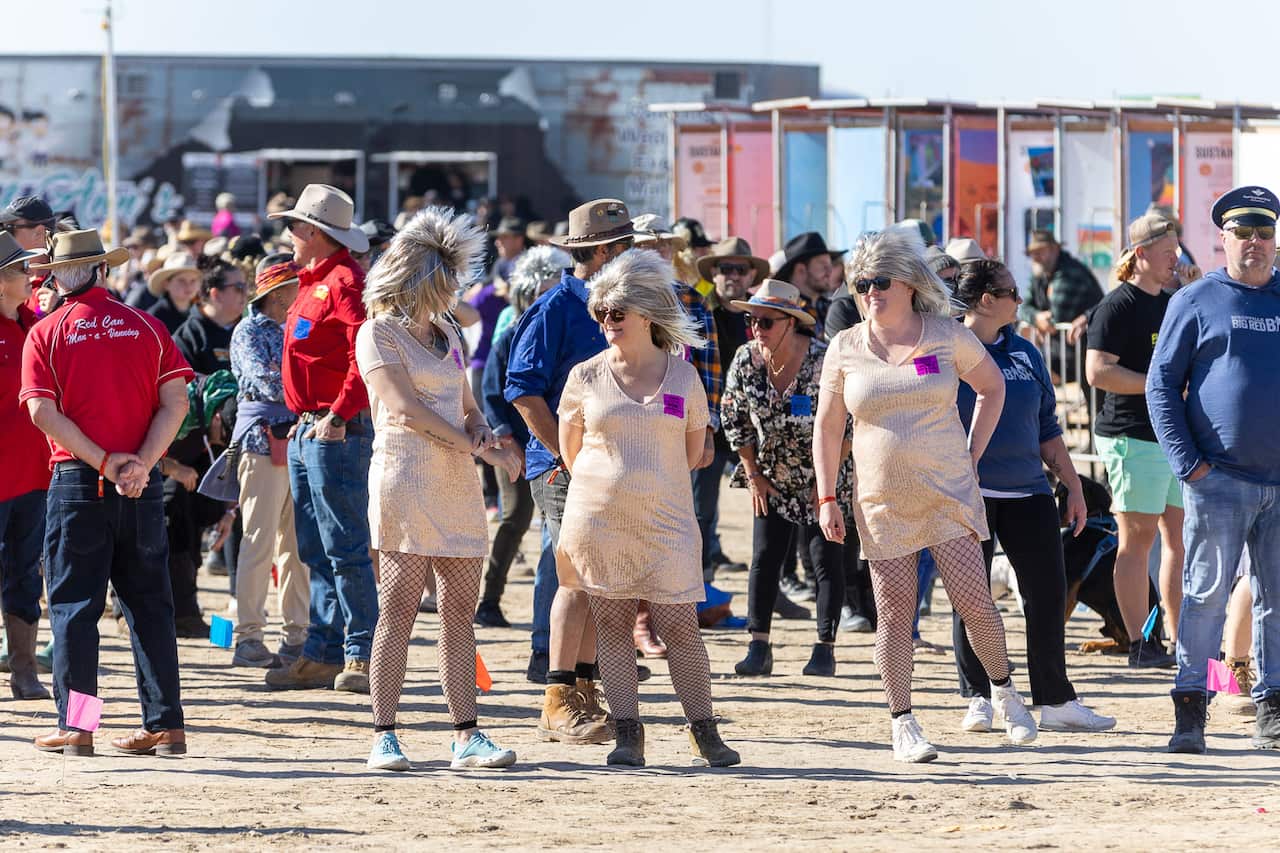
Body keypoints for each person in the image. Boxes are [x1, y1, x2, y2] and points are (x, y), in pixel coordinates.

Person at [812, 228, 1037, 762]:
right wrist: (826, 497)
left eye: (880, 280)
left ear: (910, 284)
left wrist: (971, 452)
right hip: (881, 500)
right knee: (893, 613)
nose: (870, 291)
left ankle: (1004, 690)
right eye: (861, 282)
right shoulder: (844, 348)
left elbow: (992, 387)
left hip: (947, 493)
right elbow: (827, 426)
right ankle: (902, 722)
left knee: (974, 603)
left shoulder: (947, 334)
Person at [557, 247, 739, 767]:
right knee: (613, 626)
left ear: (646, 315)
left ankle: (704, 729)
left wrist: (646, 480)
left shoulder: (683, 377)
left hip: (667, 521)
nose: (606, 322)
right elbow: (572, 452)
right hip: (599, 520)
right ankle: (628, 735)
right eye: (600, 313)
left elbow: (690, 452)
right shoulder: (585, 376)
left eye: (616, 313)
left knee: (680, 626)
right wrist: (613, 482)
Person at [357, 207, 520, 771]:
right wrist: (475, 445)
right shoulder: (377, 332)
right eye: (447, 276)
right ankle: (384, 732)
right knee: (397, 610)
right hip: (404, 477)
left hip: (455, 480)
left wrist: (480, 430)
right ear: (422, 277)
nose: (457, 286)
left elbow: (466, 403)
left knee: (459, 613)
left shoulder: (448, 329)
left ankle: (465, 733)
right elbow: (402, 408)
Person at [21, 229, 193, 756]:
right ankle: (164, 723)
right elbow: (177, 401)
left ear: (58, 277)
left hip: (79, 481)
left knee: (76, 606)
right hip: (138, 483)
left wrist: (104, 461)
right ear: (102, 271)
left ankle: (80, 726)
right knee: (148, 604)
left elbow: (41, 411)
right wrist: (141, 461)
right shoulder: (146, 325)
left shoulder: (47, 332)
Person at [952, 259, 1116, 733]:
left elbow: (1047, 425)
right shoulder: (944, 351)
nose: (1020, 301)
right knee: (972, 597)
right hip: (968, 492)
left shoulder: (1025, 352)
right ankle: (979, 697)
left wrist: (1072, 484)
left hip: (1029, 490)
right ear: (986, 300)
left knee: (1046, 594)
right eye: (1011, 292)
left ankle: (1056, 700)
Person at [1148, 185, 1280, 754]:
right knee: (1204, 595)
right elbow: (1161, 386)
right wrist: (1189, 465)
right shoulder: (1196, 301)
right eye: (1242, 232)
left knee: (1277, 596)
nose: (1254, 243)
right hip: (1217, 479)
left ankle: (1271, 707)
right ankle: (1190, 709)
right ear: (1221, 238)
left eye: (1264, 233)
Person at [506, 198, 632, 740]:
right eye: (627, 248)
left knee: (596, 577)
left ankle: (581, 688)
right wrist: (565, 454)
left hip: (607, 466)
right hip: (561, 466)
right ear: (603, 252)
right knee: (576, 573)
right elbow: (523, 392)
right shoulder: (555, 309)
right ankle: (558, 696)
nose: (634, 257)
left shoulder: (620, 308)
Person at [264, 184, 378, 694]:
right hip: (314, 426)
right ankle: (326, 650)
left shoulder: (343, 283)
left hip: (333, 428)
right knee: (316, 545)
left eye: (293, 227)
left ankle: (359, 652)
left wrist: (336, 412)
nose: (288, 236)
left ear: (313, 231)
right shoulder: (321, 280)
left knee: (343, 545)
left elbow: (365, 357)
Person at [722, 280, 847, 677]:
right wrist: (753, 473)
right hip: (770, 476)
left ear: (792, 323)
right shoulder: (745, 360)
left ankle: (824, 647)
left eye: (766, 322)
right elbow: (734, 417)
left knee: (824, 559)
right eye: (751, 320)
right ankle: (758, 646)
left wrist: (823, 485)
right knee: (764, 557)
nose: (757, 329)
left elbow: (849, 426)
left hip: (823, 475)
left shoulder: (825, 362)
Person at [1085, 213, 1185, 668]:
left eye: (1177, 251)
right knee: (1136, 540)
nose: (1176, 260)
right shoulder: (1117, 305)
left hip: (1169, 437)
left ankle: (1181, 637)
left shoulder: (1171, 301)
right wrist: (1155, 386)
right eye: (1168, 253)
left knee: (1178, 541)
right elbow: (1097, 371)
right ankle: (1140, 641)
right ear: (1141, 254)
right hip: (1130, 437)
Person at [633, 213, 721, 656]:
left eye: (665, 245)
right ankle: (633, 621)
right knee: (629, 524)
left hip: (678, 426)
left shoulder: (691, 299)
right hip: (628, 426)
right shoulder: (618, 302)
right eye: (650, 245)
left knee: (674, 525)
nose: (660, 252)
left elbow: (709, 367)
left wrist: (707, 429)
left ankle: (652, 619)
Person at [477, 246, 568, 629]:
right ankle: (490, 599)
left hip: (552, 446)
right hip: (513, 442)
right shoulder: (511, 334)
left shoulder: (561, 332)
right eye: (540, 292)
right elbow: (491, 391)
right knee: (515, 516)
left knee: (549, 527)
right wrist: (503, 437)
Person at [228, 257, 309, 668]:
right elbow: (268, 380)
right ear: (278, 294)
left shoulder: (296, 325)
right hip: (263, 444)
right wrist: (310, 389)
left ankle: (297, 634)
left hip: (295, 443)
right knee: (259, 542)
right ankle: (249, 635)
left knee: (296, 547)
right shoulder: (249, 331)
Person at [693, 237, 768, 580]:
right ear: (714, 274)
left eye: (740, 269)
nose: (732, 276)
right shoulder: (699, 312)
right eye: (725, 269)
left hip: (755, 427)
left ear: (751, 274)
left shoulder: (764, 316)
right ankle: (701, 583)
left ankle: (771, 584)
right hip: (708, 421)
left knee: (768, 507)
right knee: (700, 510)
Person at [0, 233, 52, 700]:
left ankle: (24, 671)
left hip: (34, 477)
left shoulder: (36, 325)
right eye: (19, 270)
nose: (30, 275)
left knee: (24, 573)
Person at [1020, 229, 1103, 383]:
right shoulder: (1041, 273)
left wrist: (1039, 321)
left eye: (1040, 251)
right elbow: (1023, 307)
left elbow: (1055, 319)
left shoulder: (1070, 272)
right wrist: (1036, 318)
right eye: (1032, 252)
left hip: (1085, 354)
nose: (1035, 257)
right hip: (1066, 355)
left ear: (1055, 249)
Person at [174, 258, 246, 376]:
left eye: (245, 286)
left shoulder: (252, 330)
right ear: (216, 295)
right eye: (239, 287)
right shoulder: (186, 338)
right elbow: (185, 383)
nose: (245, 293)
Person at [775, 232, 846, 336]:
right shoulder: (781, 312)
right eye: (823, 265)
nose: (829, 271)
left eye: (830, 265)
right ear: (801, 270)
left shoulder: (831, 308)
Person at [143, 254, 202, 332]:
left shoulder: (200, 312)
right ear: (166, 284)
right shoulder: (154, 318)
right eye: (181, 280)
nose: (188, 286)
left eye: (193, 280)